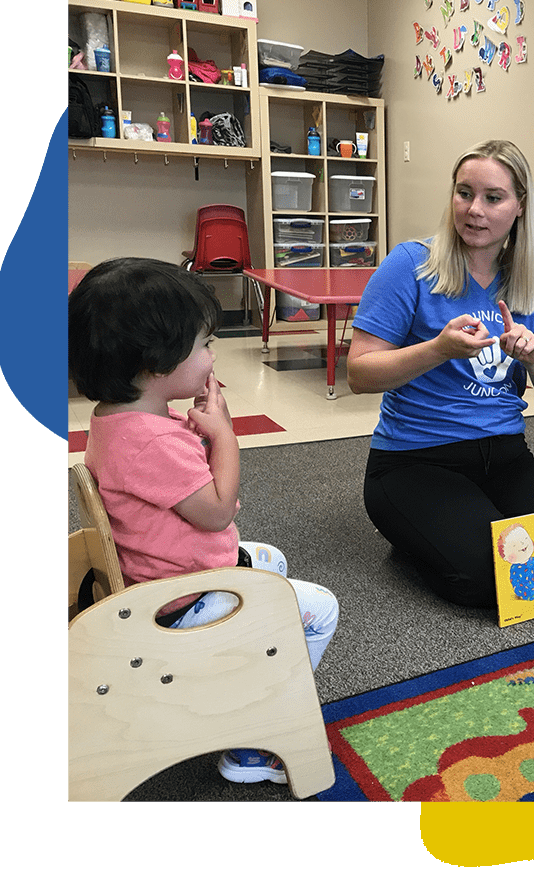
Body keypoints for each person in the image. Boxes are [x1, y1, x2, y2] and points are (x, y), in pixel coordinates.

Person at [68, 257, 338, 786]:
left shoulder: (118, 417)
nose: (213, 355)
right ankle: (257, 731)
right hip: (177, 599)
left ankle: (242, 665)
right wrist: (226, 435)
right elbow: (217, 513)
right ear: (157, 365)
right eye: (204, 344)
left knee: (271, 560)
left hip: (159, 577)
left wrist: (198, 428)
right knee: (320, 609)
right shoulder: (154, 441)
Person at [347, 139, 534, 607]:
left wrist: (533, 357)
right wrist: (437, 350)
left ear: (519, 207)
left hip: (504, 455)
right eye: (464, 193)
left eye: (493, 198)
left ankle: (444, 530)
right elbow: (359, 373)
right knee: (489, 582)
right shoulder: (410, 264)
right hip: (415, 459)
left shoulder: (533, 280)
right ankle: (413, 540)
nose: (474, 210)